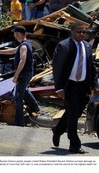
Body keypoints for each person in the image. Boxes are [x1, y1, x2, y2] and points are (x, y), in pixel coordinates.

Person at [52, 22, 98, 154]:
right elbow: (57, 68)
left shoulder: (87, 47)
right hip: (69, 85)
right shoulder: (64, 46)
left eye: (84, 32)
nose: (82, 34)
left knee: (75, 113)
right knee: (73, 115)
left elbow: (91, 68)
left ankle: (58, 130)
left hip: (83, 86)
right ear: (71, 31)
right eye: (79, 32)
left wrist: (95, 85)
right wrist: (59, 88)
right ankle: (74, 144)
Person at [0, 26, 40, 126]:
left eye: (15, 33)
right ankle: (35, 108)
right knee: (24, 90)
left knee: (18, 97)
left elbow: (22, 60)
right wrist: (0, 52)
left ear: (19, 34)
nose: (14, 35)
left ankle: (19, 121)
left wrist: (16, 76)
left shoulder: (23, 46)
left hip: (24, 74)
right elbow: (13, 51)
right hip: (26, 73)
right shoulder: (23, 44)